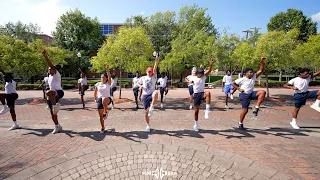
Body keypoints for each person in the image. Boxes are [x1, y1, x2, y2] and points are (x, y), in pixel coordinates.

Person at [232, 57, 266, 130]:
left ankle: (256, 107)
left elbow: (261, 70)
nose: (252, 73)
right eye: (250, 72)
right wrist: (239, 89)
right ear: (246, 73)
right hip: (244, 95)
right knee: (245, 110)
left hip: (251, 93)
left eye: (252, 72)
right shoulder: (242, 79)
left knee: (262, 92)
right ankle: (240, 123)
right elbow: (233, 83)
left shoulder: (254, 77)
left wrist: (262, 61)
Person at [42, 49, 64, 134]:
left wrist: (45, 56)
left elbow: (50, 65)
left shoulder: (56, 74)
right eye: (48, 69)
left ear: (53, 69)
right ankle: (57, 126)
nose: (49, 70)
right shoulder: (49, 77)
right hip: (52, 95)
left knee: (48, 93)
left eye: (50, 69)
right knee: (52, 113)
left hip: (58, 92)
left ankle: (56, 105)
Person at [138, 54, 159, 132]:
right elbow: (137, 83)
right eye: (148, 72)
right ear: (146, 72)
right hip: (145, 95)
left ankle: (152, 107)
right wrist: (141, 86)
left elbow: (155, 68)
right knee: (146, 112)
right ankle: (147, 125)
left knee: (156, 92)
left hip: (151, 94)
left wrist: (156, 61)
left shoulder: (154, 77)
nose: (150, 73)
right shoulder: (143, 78)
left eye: (151, 72)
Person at [192, 58, 214, 132]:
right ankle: (196, 124)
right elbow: (188, 80)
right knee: (196, 111)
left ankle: (207, 110)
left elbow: (209, 70)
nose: (201, 75)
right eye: (199, 73)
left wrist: (211, 64)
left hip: (202, 93)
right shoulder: (194, 78)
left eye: (202, 73)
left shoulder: (204, 77)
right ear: (197, 73)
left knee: (208, 93)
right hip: (196, 95)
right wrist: (188, 81)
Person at [93, 65, 112, 133]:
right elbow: (95, 92)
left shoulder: (108, 83)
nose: (102, 79)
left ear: (106, 78)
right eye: (101, 77)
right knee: (101, 116)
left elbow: (109, 77)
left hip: (107, 99)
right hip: (99, 100)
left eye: (104, 78)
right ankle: (103, 127)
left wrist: (107, 70)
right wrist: (95, 99)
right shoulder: (98, 84)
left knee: (104, 99)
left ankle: (106, 111)